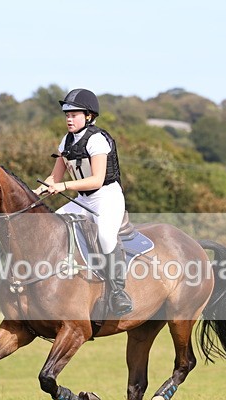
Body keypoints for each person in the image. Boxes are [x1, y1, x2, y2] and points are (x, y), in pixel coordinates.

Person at [33, 88, 133, 316]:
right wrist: (38, 190)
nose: (69, 118)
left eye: (74, 114)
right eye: (67, 114)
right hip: (82, 198)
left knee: (106, 237)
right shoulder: (66, 140)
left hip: (106, 197)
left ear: (88, 116)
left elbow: (96, 179)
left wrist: (64, 186)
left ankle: (118, 293)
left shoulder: (97, 139)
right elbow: (55, 177)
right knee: (51, 228)